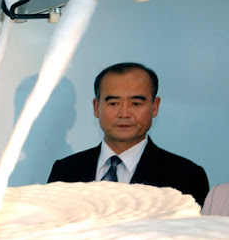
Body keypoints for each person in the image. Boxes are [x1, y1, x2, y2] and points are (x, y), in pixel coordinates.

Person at [47, 62, 209, 206]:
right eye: (114, 103)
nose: (124, 114)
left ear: (154, 107)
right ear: (96, 107)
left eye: (136, 103)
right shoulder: (65, 171)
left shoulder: (186, 177)